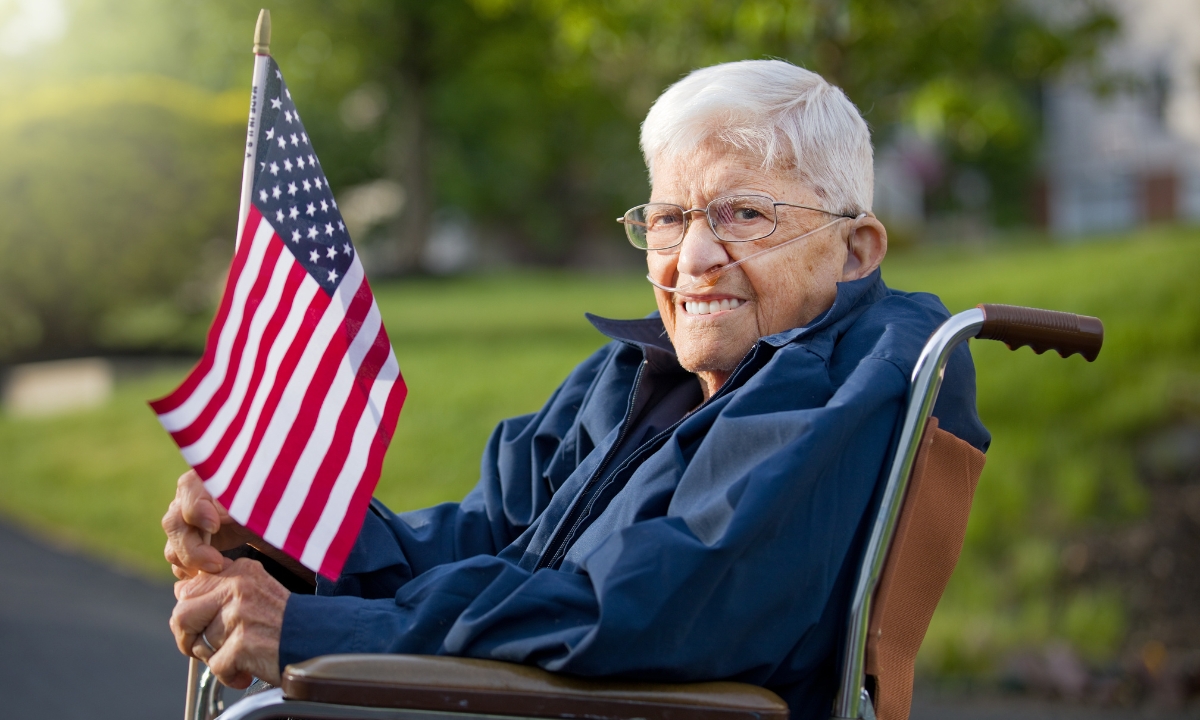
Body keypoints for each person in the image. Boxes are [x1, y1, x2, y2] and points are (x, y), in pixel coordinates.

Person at [164, 59, 989, 719]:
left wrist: (309, 627)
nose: (691, 261)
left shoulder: (862, 377)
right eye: (668, 219)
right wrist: (288, 539)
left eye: (743, 215)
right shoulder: (642, 372)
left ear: (858, 249)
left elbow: (652, 610)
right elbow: (489, 540)